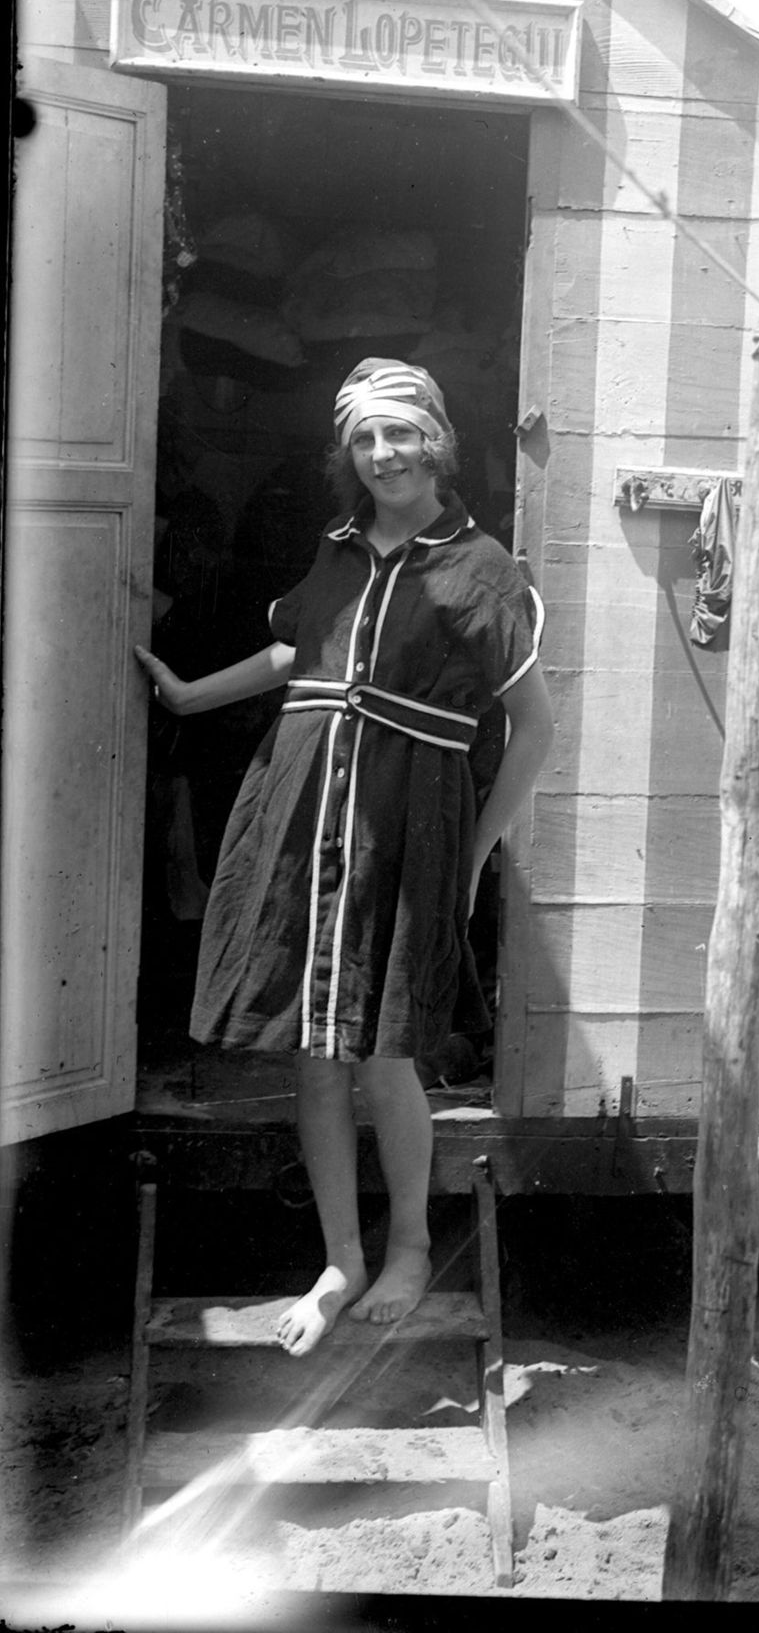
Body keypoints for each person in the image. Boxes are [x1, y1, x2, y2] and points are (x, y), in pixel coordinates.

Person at [135, 357, 555, 1352]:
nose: (383, 455)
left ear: (438, 441)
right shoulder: (335, 547)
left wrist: (474, 852)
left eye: (400, 434)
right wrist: (191, 694)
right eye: (365, 439)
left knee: (386, 1052)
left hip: (409, 820)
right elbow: (294, 653)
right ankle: (340, 1259)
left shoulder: (484, 568)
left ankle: (407, 1245)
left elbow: (534, 728)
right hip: (304, 811)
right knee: (314, 1055)